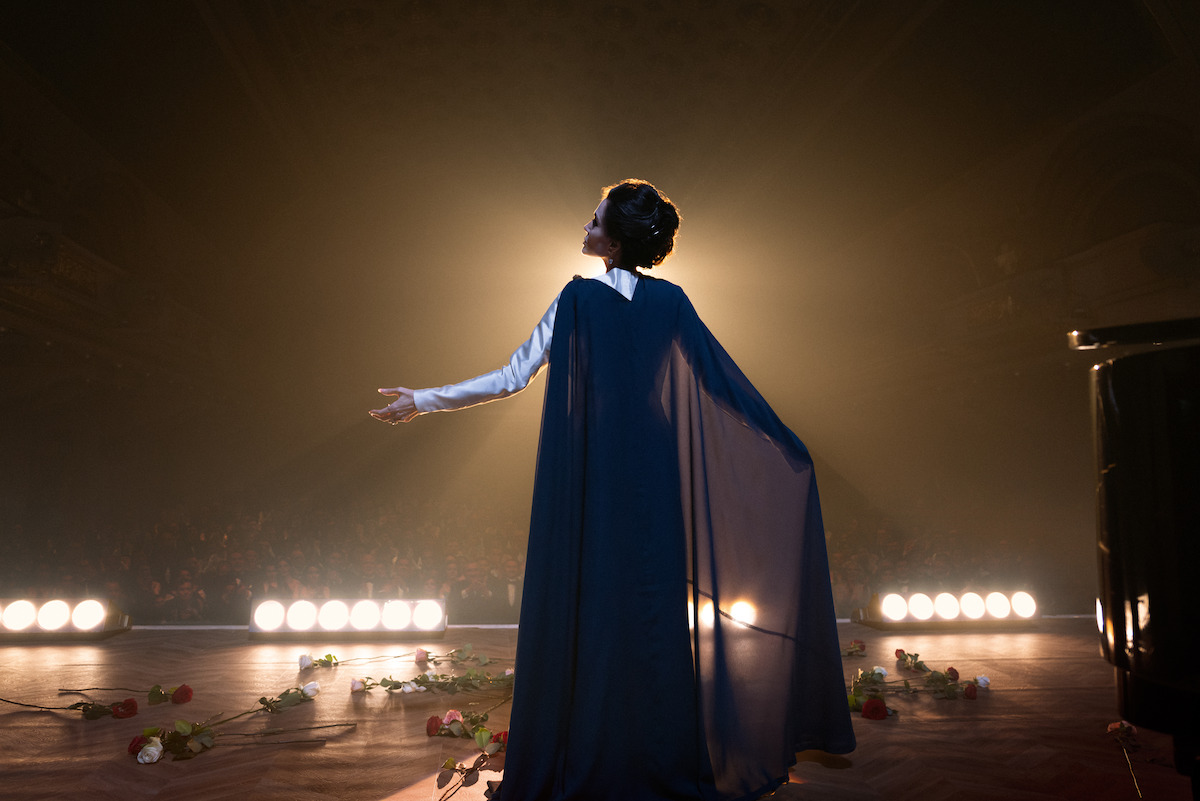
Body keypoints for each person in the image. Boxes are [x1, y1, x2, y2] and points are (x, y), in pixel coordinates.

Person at [371, 180, 854, 800]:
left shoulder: (577, 298)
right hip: (651, 464)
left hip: (593, 463)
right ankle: (654, 752)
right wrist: (786, 442)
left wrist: (424, 400)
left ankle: (595, 748)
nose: (584, 227)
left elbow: (511, 377)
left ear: (614, 238)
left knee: (592, 604)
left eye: (593, 220)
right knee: (649, 610)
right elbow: (724, 384)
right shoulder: (671, 301)